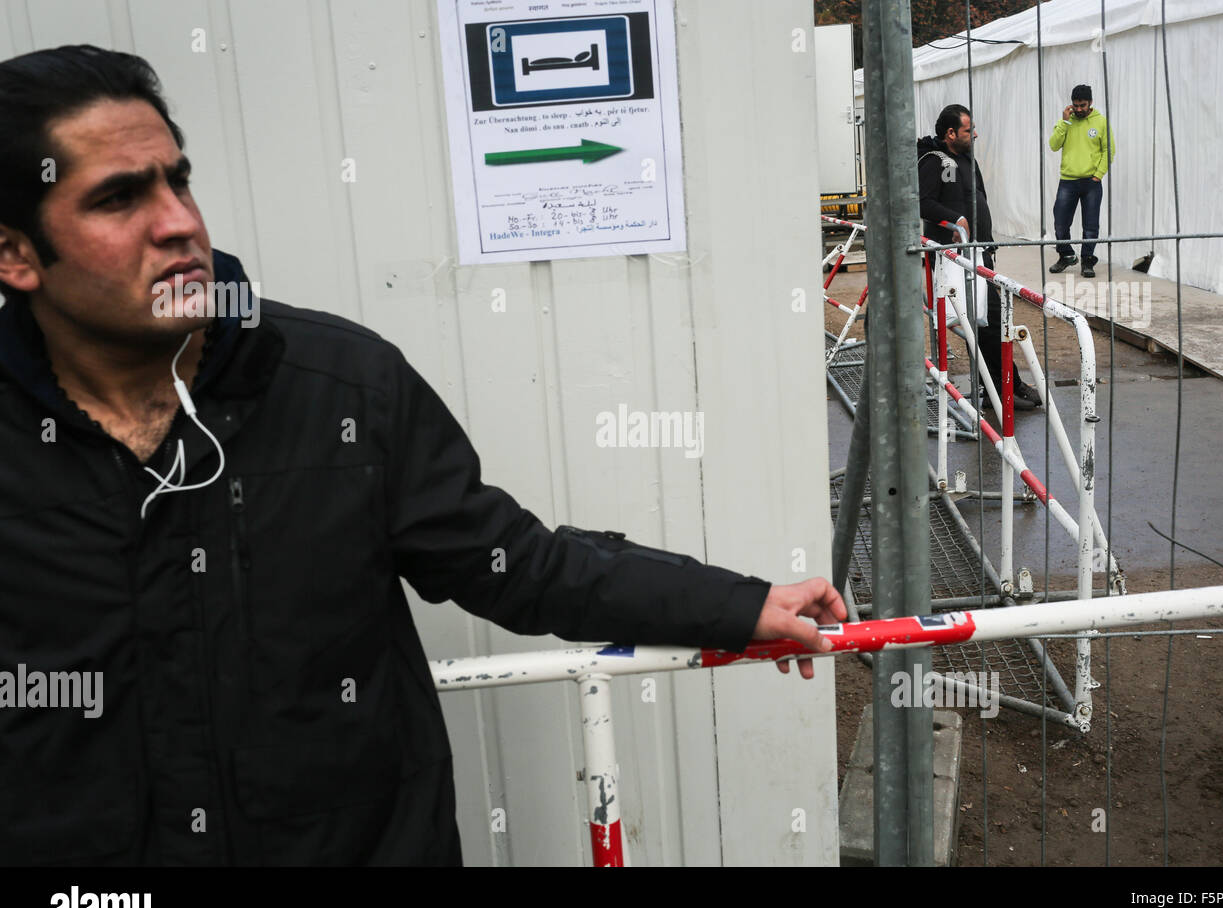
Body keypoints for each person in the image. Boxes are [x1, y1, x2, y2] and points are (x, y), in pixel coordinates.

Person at [0, 45, 844, 865]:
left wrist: (738, 603)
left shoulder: (340, 387)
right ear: (15, 253)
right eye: (117, 199)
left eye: (177, 180)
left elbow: (519, 564)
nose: (178, 222)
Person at [917, 104, 1041, 411]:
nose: (975, 134)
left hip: (979, 256)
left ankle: (998, 387)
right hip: (956, 262)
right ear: (950, 134)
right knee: (992, 323)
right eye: (967, 130)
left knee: (988, 323)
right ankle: (1005, 388)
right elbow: (923, 202)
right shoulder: (935, 162)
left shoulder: (967, 159)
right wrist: (954, 219)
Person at [1048, 84, 1116, 278]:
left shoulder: (1101, 122)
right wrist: (1064, 122)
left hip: (1091, 183)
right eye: (1075, 105)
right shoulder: (1067, 122)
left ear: (1090, 103)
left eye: (1082, 105)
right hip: (1067, 181)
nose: (1078, 109)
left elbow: (1108, 150)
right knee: (1060, 222)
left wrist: (1098, 174)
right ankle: (1067, 255)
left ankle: (1087, 260)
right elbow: (1054, 145)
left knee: (1090, 225)